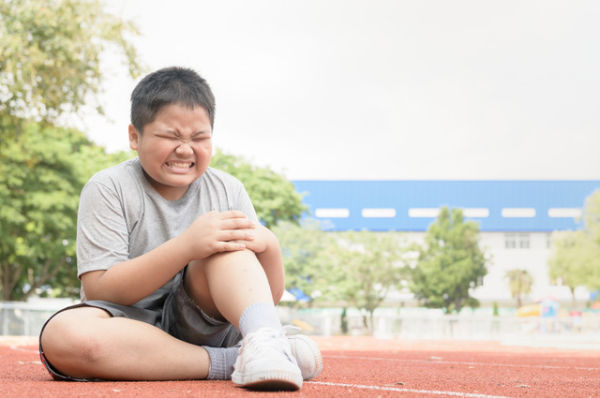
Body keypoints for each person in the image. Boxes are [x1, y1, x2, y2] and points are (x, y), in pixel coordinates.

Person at [39, 66, 322, 391]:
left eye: (199, 138)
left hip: (204, 322)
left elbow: (260, 299)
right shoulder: (109, 187)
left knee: (229, 249)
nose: (186, 149)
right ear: (135, 136)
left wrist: (269, 246)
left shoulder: (228, 190)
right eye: (170, 136)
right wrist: (187, 247)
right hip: (125, 329)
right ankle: (232, 361)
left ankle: (266, 345)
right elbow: (101, 290)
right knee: (64, 336)